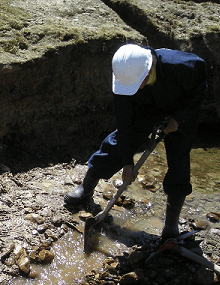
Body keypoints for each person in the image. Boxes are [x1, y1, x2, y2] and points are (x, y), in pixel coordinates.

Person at [64, 43, 207, 240]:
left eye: (136, 84)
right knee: (116, 144)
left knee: (179, 161)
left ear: (148, 72)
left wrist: (179, 118)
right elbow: (125, 125)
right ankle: (86, 188)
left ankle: (171, 225)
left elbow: (199, 92)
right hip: (145, 108)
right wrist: (127, 163)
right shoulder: (123, 79)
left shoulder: (186, 66)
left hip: (180, 109)